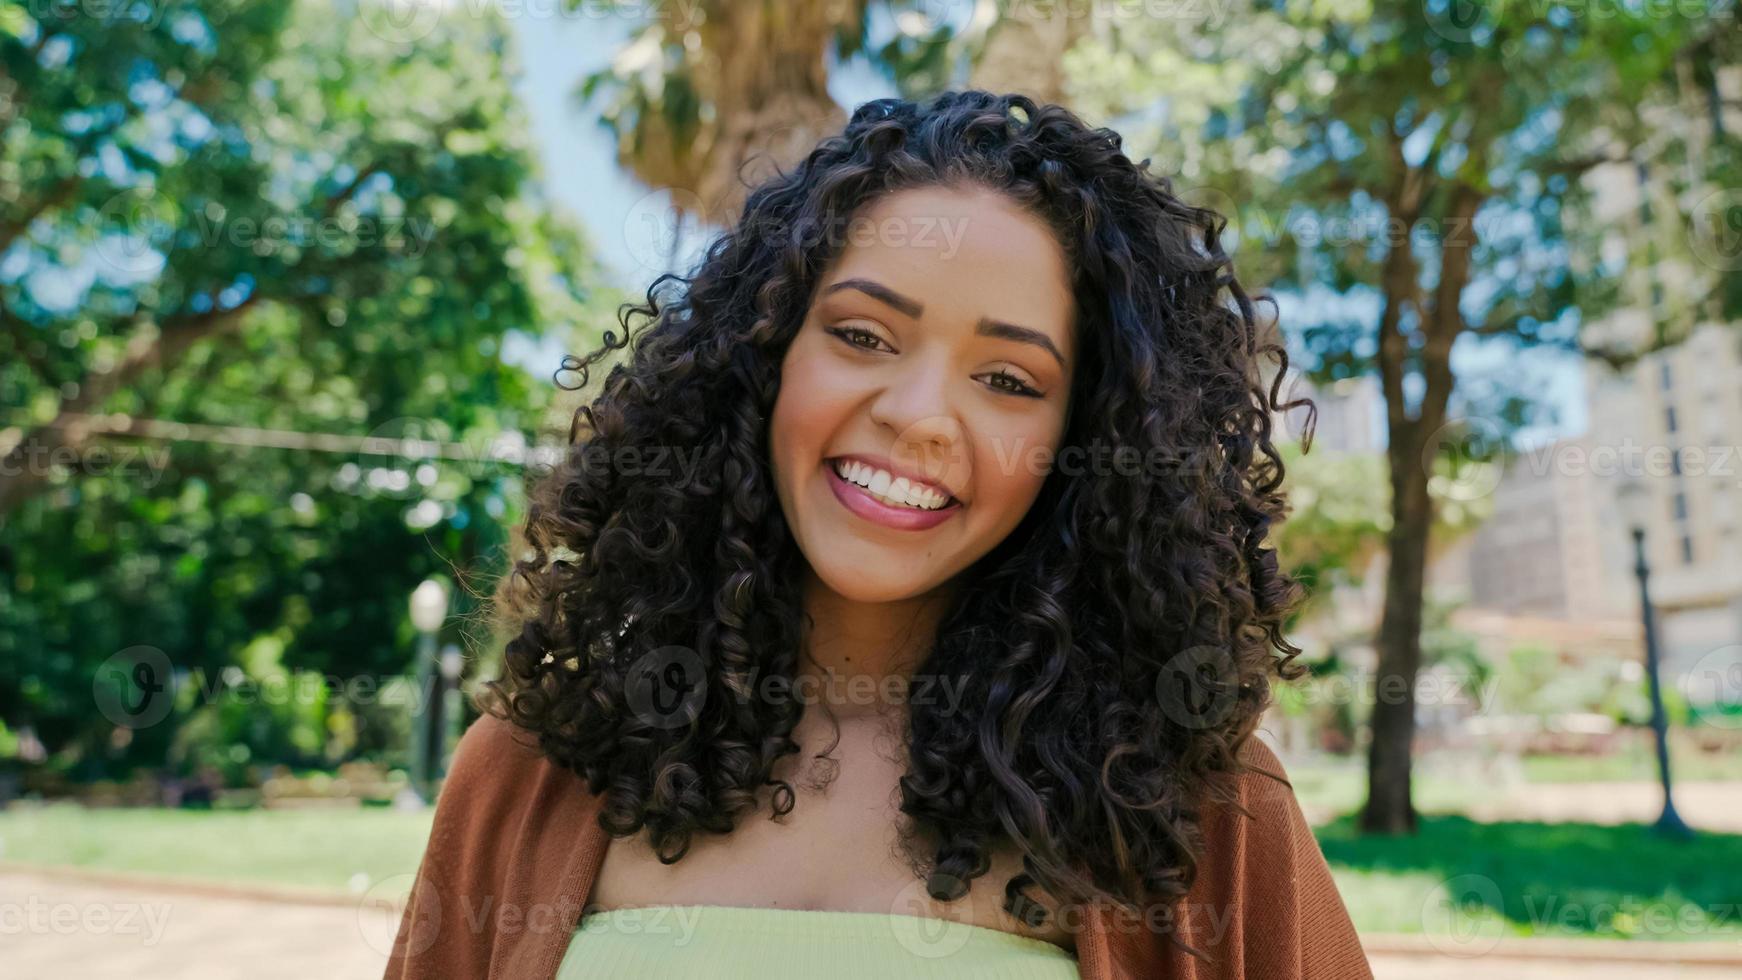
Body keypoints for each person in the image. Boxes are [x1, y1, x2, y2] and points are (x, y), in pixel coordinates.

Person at [385, 89, 1371, 980]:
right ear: (764, 358)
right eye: (861, 335)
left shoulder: (1191, 805)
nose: (918, 414)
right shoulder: (530, 766)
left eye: (1008, 379)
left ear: (1085, 442)